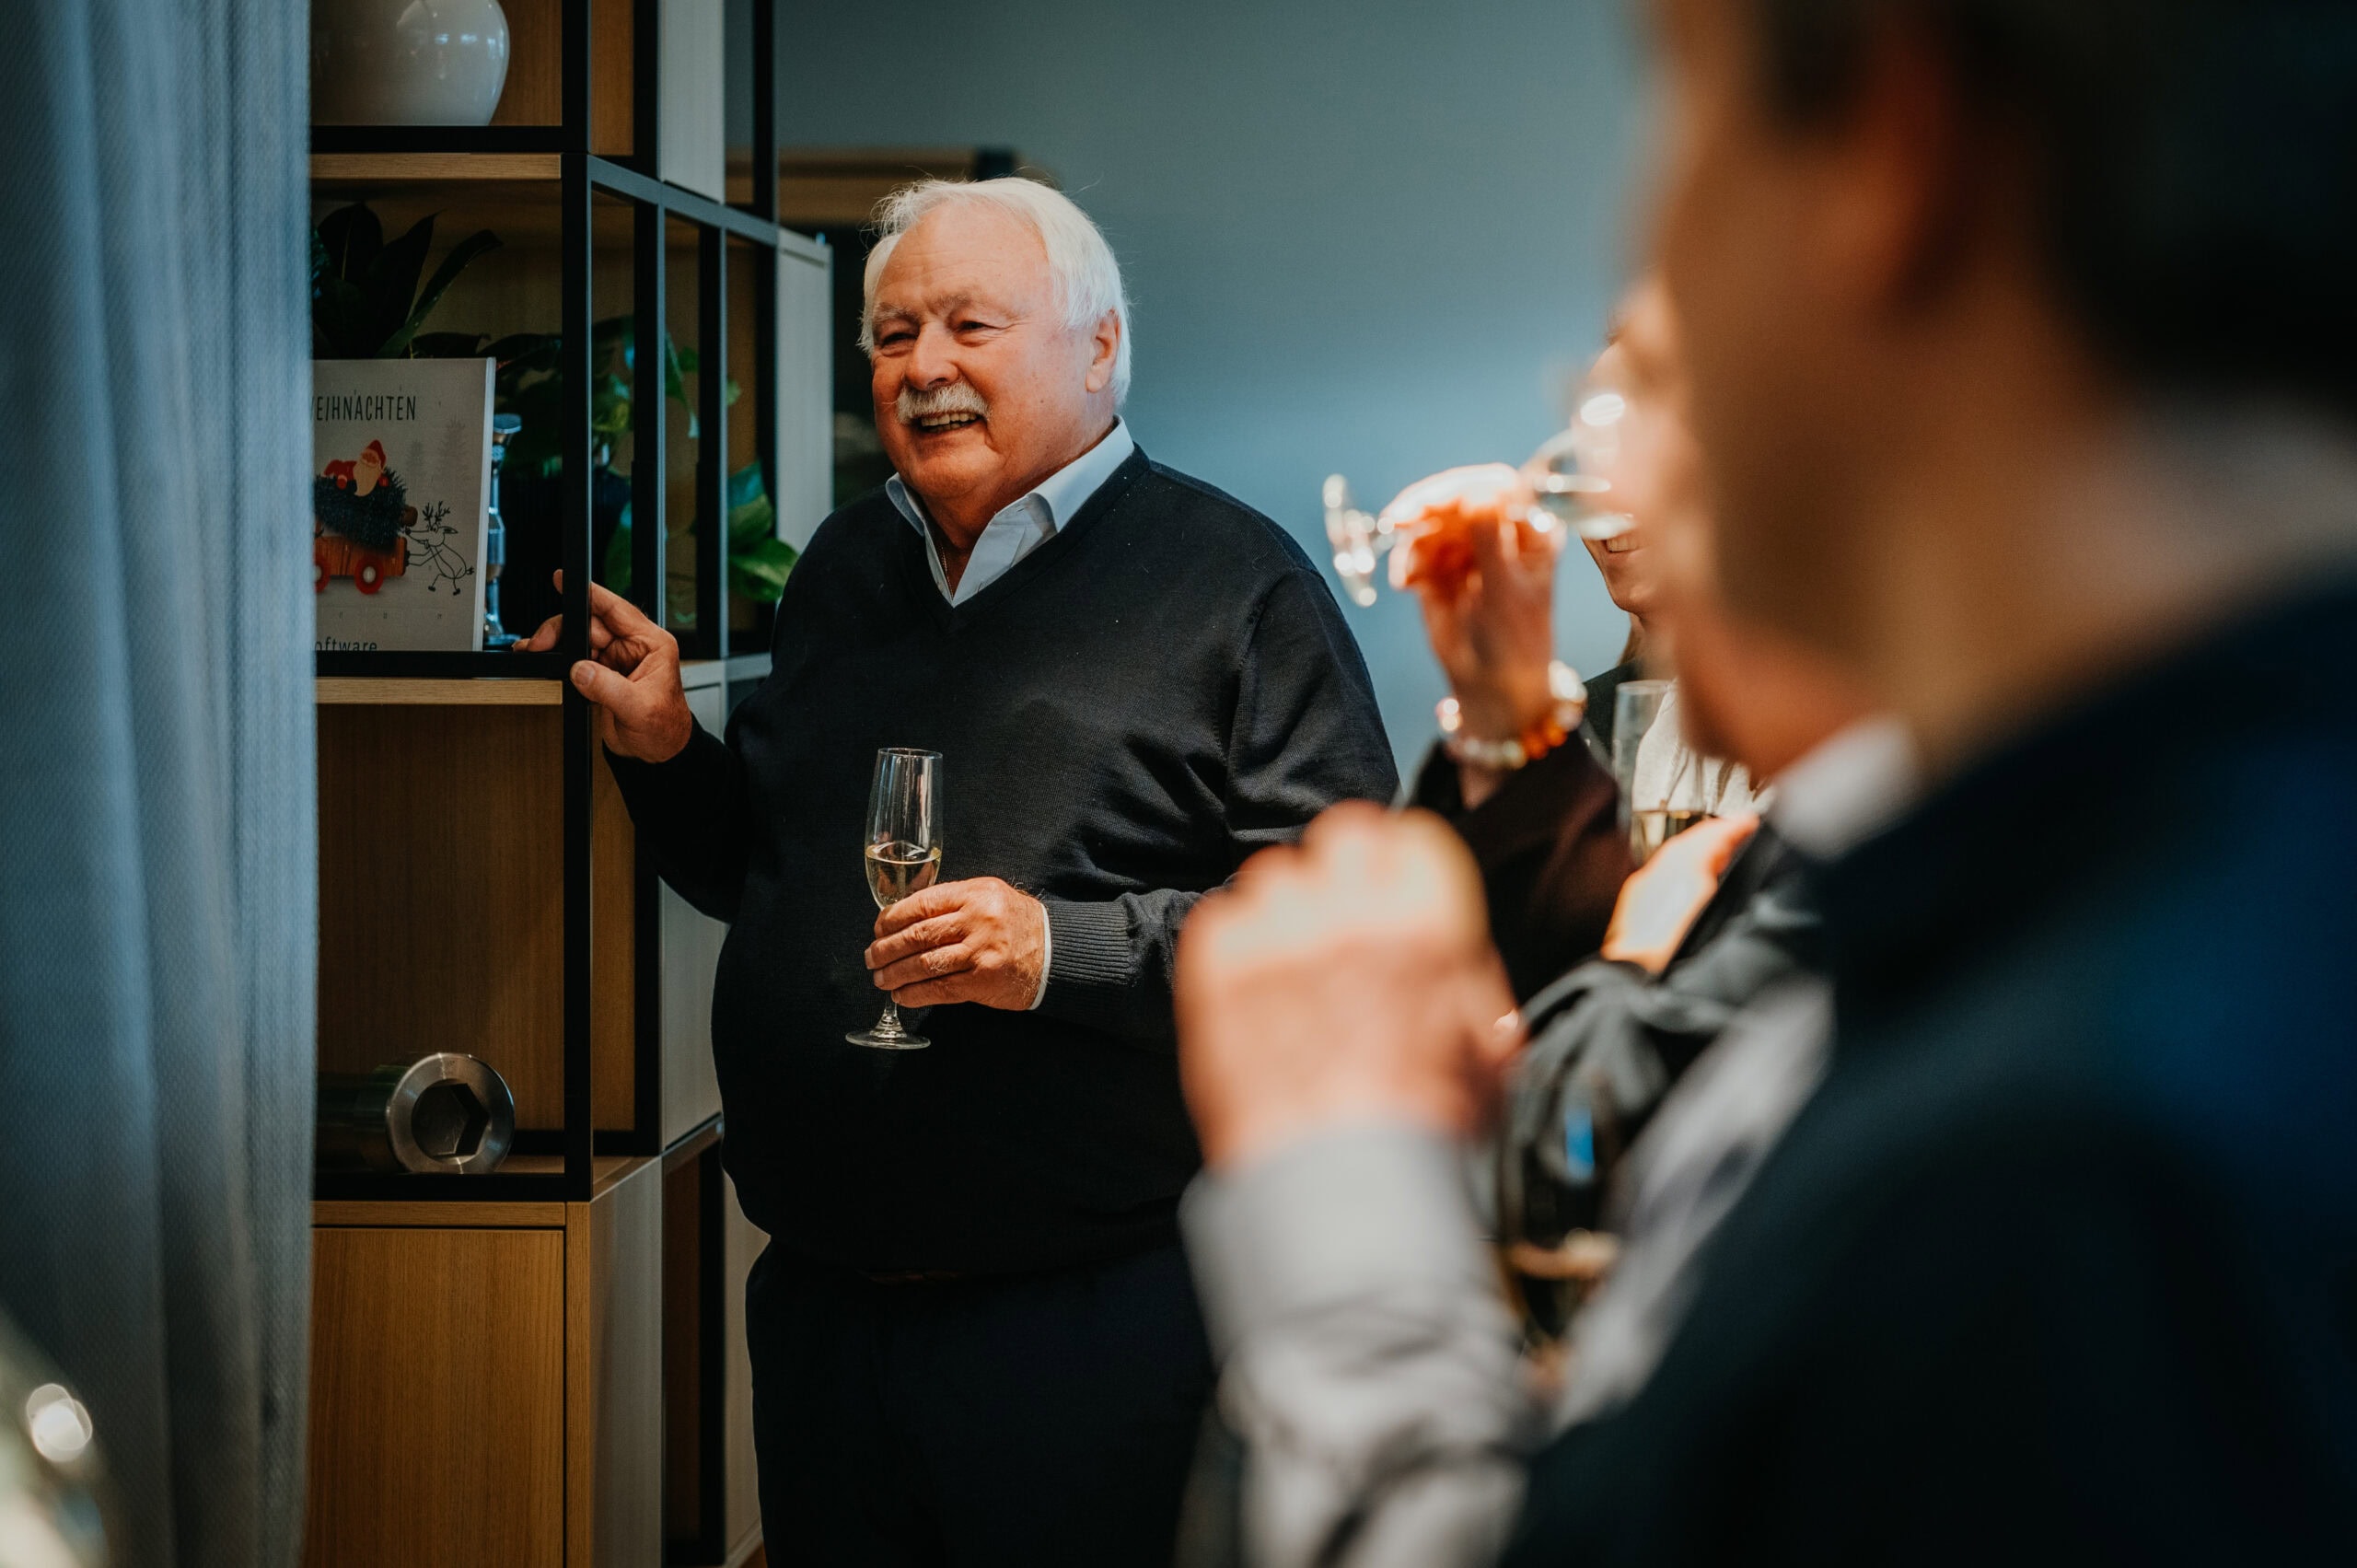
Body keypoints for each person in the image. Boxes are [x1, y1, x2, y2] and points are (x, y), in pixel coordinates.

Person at [1173, 0, 2357, 1562]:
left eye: (1682, 101)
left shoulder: (2062, 1187)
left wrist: (1344, 1200)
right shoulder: (2188, 896)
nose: (1643, 220)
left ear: (1889, 142)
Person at [519, 176, 1396, 1562]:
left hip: (1093, 1329)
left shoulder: (1240, 587)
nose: (922, 366)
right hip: (821, 1318)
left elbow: (1347, 933)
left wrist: (1064, 952)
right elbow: (771, 877)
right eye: (891, 335)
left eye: (970, 325)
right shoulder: (844, 565)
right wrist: (671, 753)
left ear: (1100, 347)